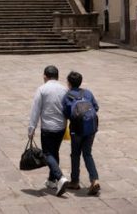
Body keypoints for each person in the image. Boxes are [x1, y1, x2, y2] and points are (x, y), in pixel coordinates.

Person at [28, 65, 70, 196]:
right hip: (61, 127)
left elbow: (35, 110)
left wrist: (31, 128)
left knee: (47, 154)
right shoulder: (64, 89)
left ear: (45, 76)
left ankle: (60, 177)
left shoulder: (42, 89)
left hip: (48, 127)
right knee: (54, 152)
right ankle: (52, 180)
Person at [62, 70, 101, 196]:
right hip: (91, 128)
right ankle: (94, 179)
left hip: (76, 130)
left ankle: (75, 181)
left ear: (69, 83)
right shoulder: (88, 93)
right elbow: (96, 107)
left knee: (75, 154)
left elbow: (66, 113)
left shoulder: (67, 96)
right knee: (87, 154)